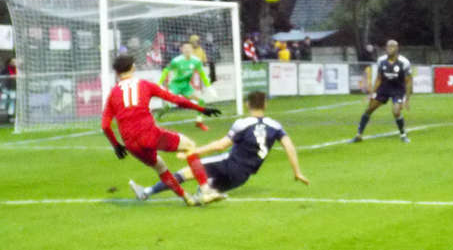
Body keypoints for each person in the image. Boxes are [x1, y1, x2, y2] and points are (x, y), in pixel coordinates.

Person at [129, 91, 309, 201]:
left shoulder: (243, 123)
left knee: (187, 172)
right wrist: (297, 172)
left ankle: (146, 192)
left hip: (228, 164)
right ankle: (205, 192)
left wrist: (193, 152)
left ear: (247, 104)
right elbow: (290, 147)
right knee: (207, 188)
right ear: (265, 105)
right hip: (242, 177)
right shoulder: (275, 126)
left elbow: (220, 146)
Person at [101, 55, 224, 206]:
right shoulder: (144, 84)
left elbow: (105, 126)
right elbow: (175, 99)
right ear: (133, 67)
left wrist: (116, 146)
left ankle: (187, 198)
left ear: (116, 73)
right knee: (190, 146)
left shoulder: (112, 94)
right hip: (149, 134)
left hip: (130, 143)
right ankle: (206, 191)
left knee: (160, 167)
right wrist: (201, 109)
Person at [352, 40, 413, 143]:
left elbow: (408, 81)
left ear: (397, 49)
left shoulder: (404, 62)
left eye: (392, 47)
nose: (389, 49)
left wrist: (407, 99)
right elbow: (379, 78)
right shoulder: (381, 60)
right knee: (369, 109)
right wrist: (372, 93)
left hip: (398, 89)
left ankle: (403, 135)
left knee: (396, 111)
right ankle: (359, 135)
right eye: (388, 47)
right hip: (384, 89)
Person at [157, 42, 217, 131]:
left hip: (186, 87)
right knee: (169, 105)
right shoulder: (176, 61)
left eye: (189, 48)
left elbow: (202, 74)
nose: (187, 50)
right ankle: (157, 118)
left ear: (192, 50)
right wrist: (158, 84)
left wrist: (209, 87)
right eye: (185, 48)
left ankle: (199, 122)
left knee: (201, 101)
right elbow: (166, 70)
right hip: (175, 86)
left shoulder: (196, 61)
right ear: (181, 50)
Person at [1, 57, 17, 122]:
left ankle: (10, 115)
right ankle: (5, 111)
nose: (14, 63)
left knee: (12, 99)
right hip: (5, 88)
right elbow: (2, 77)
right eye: (13, 62)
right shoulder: (5, 69)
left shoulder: (16, 69)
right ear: (9, 63)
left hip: (12, 88)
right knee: (6, 98)